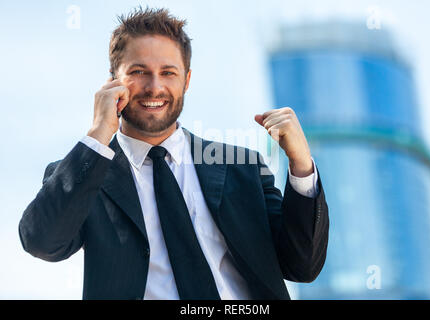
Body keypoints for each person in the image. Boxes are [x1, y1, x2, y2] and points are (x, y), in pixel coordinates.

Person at [18, 7, 329, 300]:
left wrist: (301, 164)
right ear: (113, 79)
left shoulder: (241, 167)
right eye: (139, 71)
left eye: (168, 72)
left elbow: (301, 265)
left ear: (187, 80)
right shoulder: (85, 172)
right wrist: (99, 132)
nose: (155, 87)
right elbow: (43, 242)